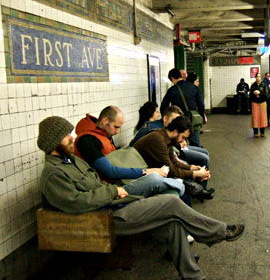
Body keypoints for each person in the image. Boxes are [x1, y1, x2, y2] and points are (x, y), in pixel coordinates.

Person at [37, 116, 245, 280]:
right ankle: (218, 232)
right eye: (66, 136)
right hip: (105, 218)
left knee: (172, 223)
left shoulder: (72, 162)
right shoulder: (53, 175)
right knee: (171, 201)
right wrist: (112, 191)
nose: (72, 138)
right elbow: (75, 203)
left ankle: (194, 276)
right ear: (54, 141)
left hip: (116, 205)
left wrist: (114, 191)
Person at [74, 106, 183, 197]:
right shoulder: (87, 140)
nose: (118, 132)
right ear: (105, 121)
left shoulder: (104, 134)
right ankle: (180, 184)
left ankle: (178, 185)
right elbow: (110, 171)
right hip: (109, 187)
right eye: (116, 127)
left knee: (172, 193)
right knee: (154, 178)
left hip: (119, 181)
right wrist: (146, 171)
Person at [130, 105, 212, 190]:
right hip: (136, 176)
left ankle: (198, 192)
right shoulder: (158, 140)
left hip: (147, 170)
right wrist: (196, 173)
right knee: (179, 184)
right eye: (183, 137)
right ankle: (197, 193)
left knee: (183, 180)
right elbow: (171, 171)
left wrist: (193, 168)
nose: (183, 141)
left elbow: (174, 162)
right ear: (176, 131)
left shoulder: (165, 137)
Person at [161, 68, 205, 147]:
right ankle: (197, 158)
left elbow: (163, 107)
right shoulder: (194, 87)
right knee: (196, 145)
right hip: (193, 120)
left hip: (178, 122)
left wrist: (167, 121)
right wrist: (199, 116)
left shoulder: (172, 90)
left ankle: (182, 158)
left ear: (172, 78)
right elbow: (201, 105)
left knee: (179, 146)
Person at [250, 73, 268, 138]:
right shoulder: (253, 86)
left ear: (261, 77)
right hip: (255, 102)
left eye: (259, 76)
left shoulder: (264, 85)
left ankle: (262, 132)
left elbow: (266, 94)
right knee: (255, 117)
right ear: (255, 77)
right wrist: (253, 93)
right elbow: (250, 95)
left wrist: (260, 92)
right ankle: (256, 132)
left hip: (262, 103)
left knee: (262, 117)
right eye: (257, 76)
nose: (258, 78)